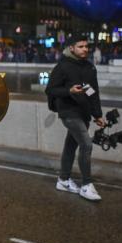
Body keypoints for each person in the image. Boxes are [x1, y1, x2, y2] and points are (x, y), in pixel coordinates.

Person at [45, 35, 105, 201]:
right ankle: (86, 185)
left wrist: (97, 114)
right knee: (86, 144)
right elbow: (50, 90)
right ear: (71, 48)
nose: (85, 49)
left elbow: (93, 93)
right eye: (80, 46)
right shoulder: (62, 67)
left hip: (84, 113)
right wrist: (69, 91)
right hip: (69, 112)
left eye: (86, 46)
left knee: (71, 146)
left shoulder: (89, 68)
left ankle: (63, 180)